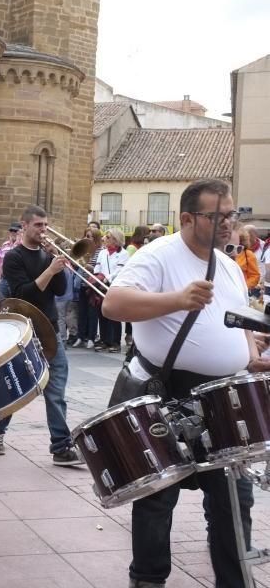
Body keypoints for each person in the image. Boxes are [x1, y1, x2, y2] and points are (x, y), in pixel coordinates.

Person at [102, 178, 269, 588]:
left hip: (223, 394)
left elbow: (237, 317)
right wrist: (176, 299)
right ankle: (148, 580)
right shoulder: (159, 255)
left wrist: (250, 355)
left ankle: (233, 581)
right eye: (219, 216)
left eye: (233, 213)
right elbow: (113, 304)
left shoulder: (227, 263)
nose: (229, 223)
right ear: (188, 218)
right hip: (168, 390)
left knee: (233, 498)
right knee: (158, 496)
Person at [0, 205, 83, 466]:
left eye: (45, 226)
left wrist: (59, 266)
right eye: (39, 225)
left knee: (56, 388)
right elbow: (24, 293)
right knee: (16, 384)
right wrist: (50, 270)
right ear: (24, 226)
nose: (43, 231)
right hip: (23, 328)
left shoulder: (46, 255)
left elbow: (59, 290)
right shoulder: (15, 257)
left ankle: (61, 446)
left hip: (49, 328)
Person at [93, 228, 129, 353]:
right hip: (101, 285)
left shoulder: (124, 253)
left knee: (114, 315)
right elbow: (97, 266)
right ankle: (104, 340)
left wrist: (106, 279)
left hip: (114, 286)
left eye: (108, 237)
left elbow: (119, 270)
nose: (104, 239)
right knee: (102, 313)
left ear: (116, 239)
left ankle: (115, 342)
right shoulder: (102, 253)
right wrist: (97, 276)